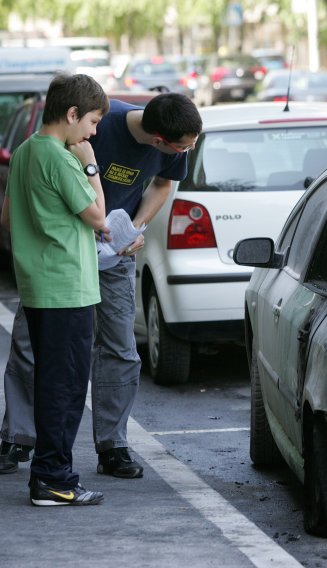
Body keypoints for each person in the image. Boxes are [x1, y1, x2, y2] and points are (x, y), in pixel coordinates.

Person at [0, 91, 203, 479]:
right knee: (32, 343)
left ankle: (113, 445)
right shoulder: (96, 125)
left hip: (115, 258)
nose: (187, 152)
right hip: (62, 254)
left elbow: (162, 185)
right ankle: (17, 437)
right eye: (184, 148)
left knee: (120, 348)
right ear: (161, 141)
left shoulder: (175, 143)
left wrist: (136, 228)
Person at [1, 74, 109, 505]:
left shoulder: (26, 150)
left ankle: (50, 475)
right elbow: (99, 216)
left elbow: (8, 217)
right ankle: (54, 479)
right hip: (68, 288)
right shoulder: (62, 158)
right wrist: (90, 163)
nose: (93, 132)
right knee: (64, 388)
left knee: (50, 382)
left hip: (37, 285)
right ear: (71, 114)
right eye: (93, 122)